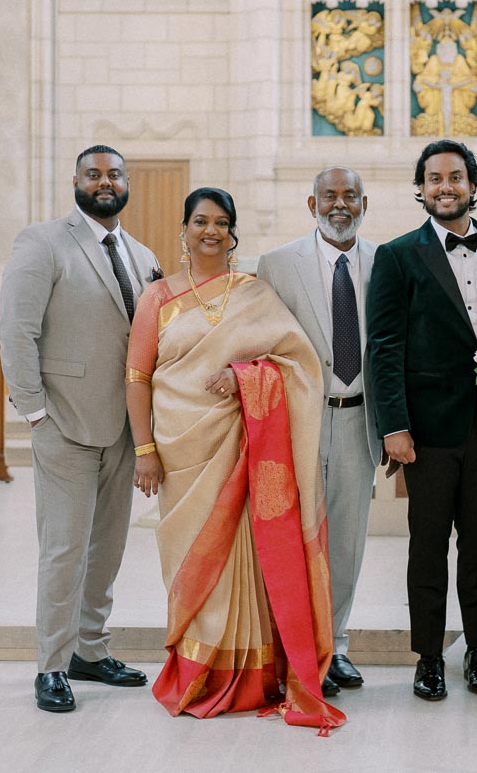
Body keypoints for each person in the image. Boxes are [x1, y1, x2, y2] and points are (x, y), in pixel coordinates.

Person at [125, 188, 344, 733]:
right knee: (192, 559)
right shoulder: (157, 296)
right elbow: (136, 377)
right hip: (180, 452)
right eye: (201, 221)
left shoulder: (254, 292)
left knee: (243, 560)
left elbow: (297, 361)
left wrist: (247, 377)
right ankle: (196, 671)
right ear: (184, 228)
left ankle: (248, 675)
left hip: (240, 446)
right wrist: (145, 449)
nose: (211, 231)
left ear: (233, 232)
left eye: (222, 223)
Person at [0, 144, 160, 713]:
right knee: (64, 549)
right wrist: (35, 412)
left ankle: (90, 649)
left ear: (126, 182)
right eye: (94, 173)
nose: (105, 181)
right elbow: (16, 331)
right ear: (76, 180)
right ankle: (52, 664)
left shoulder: (141, 255)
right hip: (64, 422)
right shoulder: (43, 243)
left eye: (114, 174)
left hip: (123, 427)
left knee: (108, 546)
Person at [367, 139, 477, 701]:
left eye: (455, 176)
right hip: (424, 432)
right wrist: (393, 425)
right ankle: (428, 656)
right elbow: (384, 346)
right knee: (426, 545)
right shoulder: (398, 255)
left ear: (473, 185)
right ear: (421, 188)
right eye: (434, 178)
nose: (445, 186)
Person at [256, 166, 381, 697]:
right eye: (328, 196)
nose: (339, 204)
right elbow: (258, 340)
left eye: (349, 196)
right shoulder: (277, 265)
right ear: (311, 205)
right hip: (301, 421)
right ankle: (297, 648)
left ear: (363, 203)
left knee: (347, 540)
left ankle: (338, 646)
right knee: (297, 535)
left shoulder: (385, 262)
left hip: (359, 417)